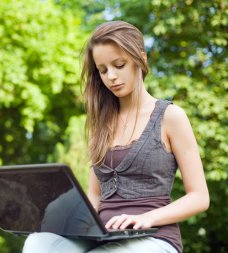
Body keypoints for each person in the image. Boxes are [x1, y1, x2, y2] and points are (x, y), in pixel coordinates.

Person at [22, 20, 209, 253]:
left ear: (141, 58)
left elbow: (200, 197)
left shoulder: (171, 117)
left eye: (119, 65)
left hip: (154, 238)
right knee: (38, 243)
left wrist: (148, 218)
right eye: (102, 70)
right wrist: (64, 222)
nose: (111, 76)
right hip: (101, 235)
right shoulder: (100, 124)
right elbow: (94, 195)